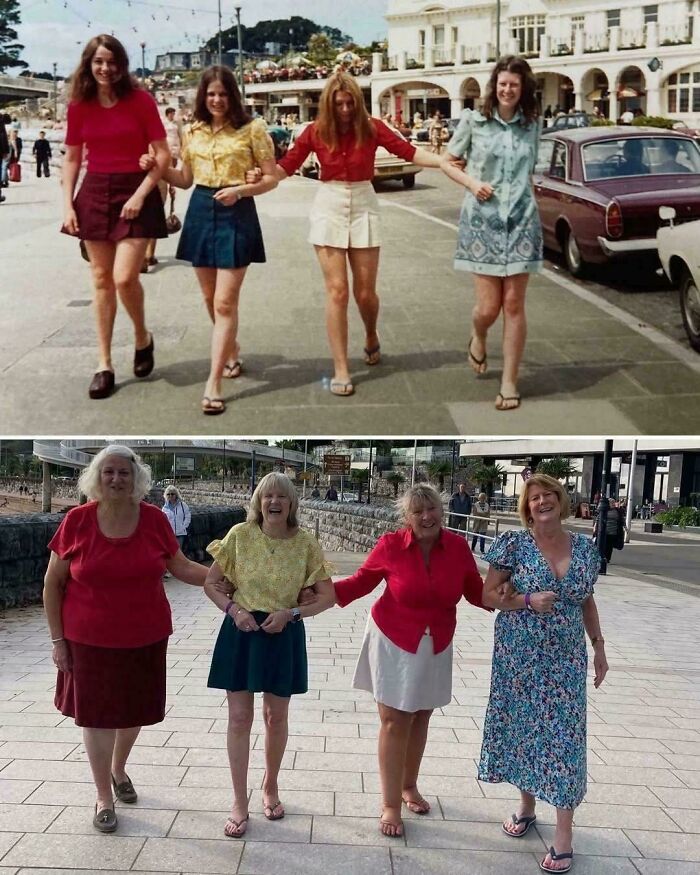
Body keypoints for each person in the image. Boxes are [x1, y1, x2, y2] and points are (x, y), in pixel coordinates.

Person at [42, 445, 211, 834]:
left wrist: (224, 579)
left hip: (145, 635)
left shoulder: (154, 519)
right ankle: (103, 795)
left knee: (132, 710)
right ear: (97, 478)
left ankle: (119, 769)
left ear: (137, 480)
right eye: (109, 472)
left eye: (124, 473)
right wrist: (57, 640)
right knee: (97, 716)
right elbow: (53, 583)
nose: (116, 478)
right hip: (88, 639)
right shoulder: (78, 521)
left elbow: (180, 566)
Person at [263, 71, 441, 396]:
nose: (345, 110)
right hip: (329, 203)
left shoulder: (372, 127)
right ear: (329, 106)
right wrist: (257, 176)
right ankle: (341, 367)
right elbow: (286, 166)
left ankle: (371, 333)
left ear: (357, 102)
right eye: (339, 104)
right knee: (337, 291)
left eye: (349, 103)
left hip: (363, 202)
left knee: (365, 293)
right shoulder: (314, 131)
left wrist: (442, 162)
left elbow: (408, 151)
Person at [333, 483, 491, 837]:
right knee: (395, 719)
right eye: (417, 511)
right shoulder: (391, 545)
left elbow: (475, 590)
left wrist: (511, 598)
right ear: (407, 517)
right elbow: (361, 582)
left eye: (431, 508)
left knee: (421, 714)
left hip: (435, 640)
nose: (426, 516)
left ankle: (409, 785)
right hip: (393, 637)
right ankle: (390, 803)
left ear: (443, 511)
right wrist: (320, 594)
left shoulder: (458, 547)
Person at [479, 473, 608, 873]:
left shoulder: (586, 549)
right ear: (526, 507)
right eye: (534, 497)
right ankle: (526, 805)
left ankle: (564, 835)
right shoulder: (513, 544)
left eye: (548, 494)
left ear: (560, 499)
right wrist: (527, 599)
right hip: (518, 655)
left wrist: (599, 646)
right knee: (522, 728)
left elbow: (586, 599)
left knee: (565, 738)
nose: (542, 501)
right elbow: (488, 596)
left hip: (566, 660)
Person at [203, 472, 336, 837]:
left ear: (292, 504)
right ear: (258, 502)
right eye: (267, 496)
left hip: (283, 633)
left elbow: (328, 597)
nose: (274, 502)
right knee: (239, 718)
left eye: (281, 496)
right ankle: (238, 801)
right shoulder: (239, 536)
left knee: (276, 718)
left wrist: (292, 613)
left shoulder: (307, 544)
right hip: (242, 632)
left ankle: (271, 786)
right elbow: (211, 583)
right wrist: (234, 611)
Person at [148, 66, 277, 416]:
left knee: (224, 303)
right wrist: (156, 169)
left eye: (222, 93)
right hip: (202, 210)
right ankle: (231, 352)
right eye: (210, 94)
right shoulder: (193, 131)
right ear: (203, 97)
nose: (216, 100)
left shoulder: (253, 129)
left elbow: (271, 178)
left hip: (237, 211)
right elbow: (185, 179)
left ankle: (213, 382)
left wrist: (241, 190)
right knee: (209, 297)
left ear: (232, 95)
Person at [61, 34, 171, 400]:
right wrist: (67, 204)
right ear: (89, 65)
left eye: (111, 61)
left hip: (135, 189)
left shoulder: (140, 101)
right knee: (100, 279)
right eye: (98, 62)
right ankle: (104, 363)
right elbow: (73, 158)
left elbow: (162, 156)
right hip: (94, 191)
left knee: (125, 278)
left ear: (122, 65)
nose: (105, 68)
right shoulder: (79, 105)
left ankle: (142, 336)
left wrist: (141, 195)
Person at [441, 56, 542, 412]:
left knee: (514, 305)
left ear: (523, 88)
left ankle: (509, 382)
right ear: (494, 85)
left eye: (514, 84)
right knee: (488, 308)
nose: (507, 89)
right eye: (502, 83)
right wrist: (472, 183)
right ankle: (479, 334)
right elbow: (447, 162)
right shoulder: (474, 120)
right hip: (482, 222)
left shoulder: (532, 125)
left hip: (522, 222)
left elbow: (531, 174)